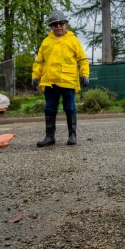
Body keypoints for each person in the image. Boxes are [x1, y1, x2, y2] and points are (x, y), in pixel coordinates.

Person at [32, 11, 90, 147]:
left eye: (61, 23)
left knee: (69, 108)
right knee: (49, 108)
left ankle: (72, 135)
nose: (58, 26)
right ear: (51, 27)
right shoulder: (46, 42)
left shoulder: (73, 41)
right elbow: (39, 61)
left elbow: (82, 59)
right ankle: (49, 137)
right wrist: (35, 75)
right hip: (50, 81)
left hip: (68, 81)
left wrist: (85, 74)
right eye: (54, 24)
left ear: (66, 25)